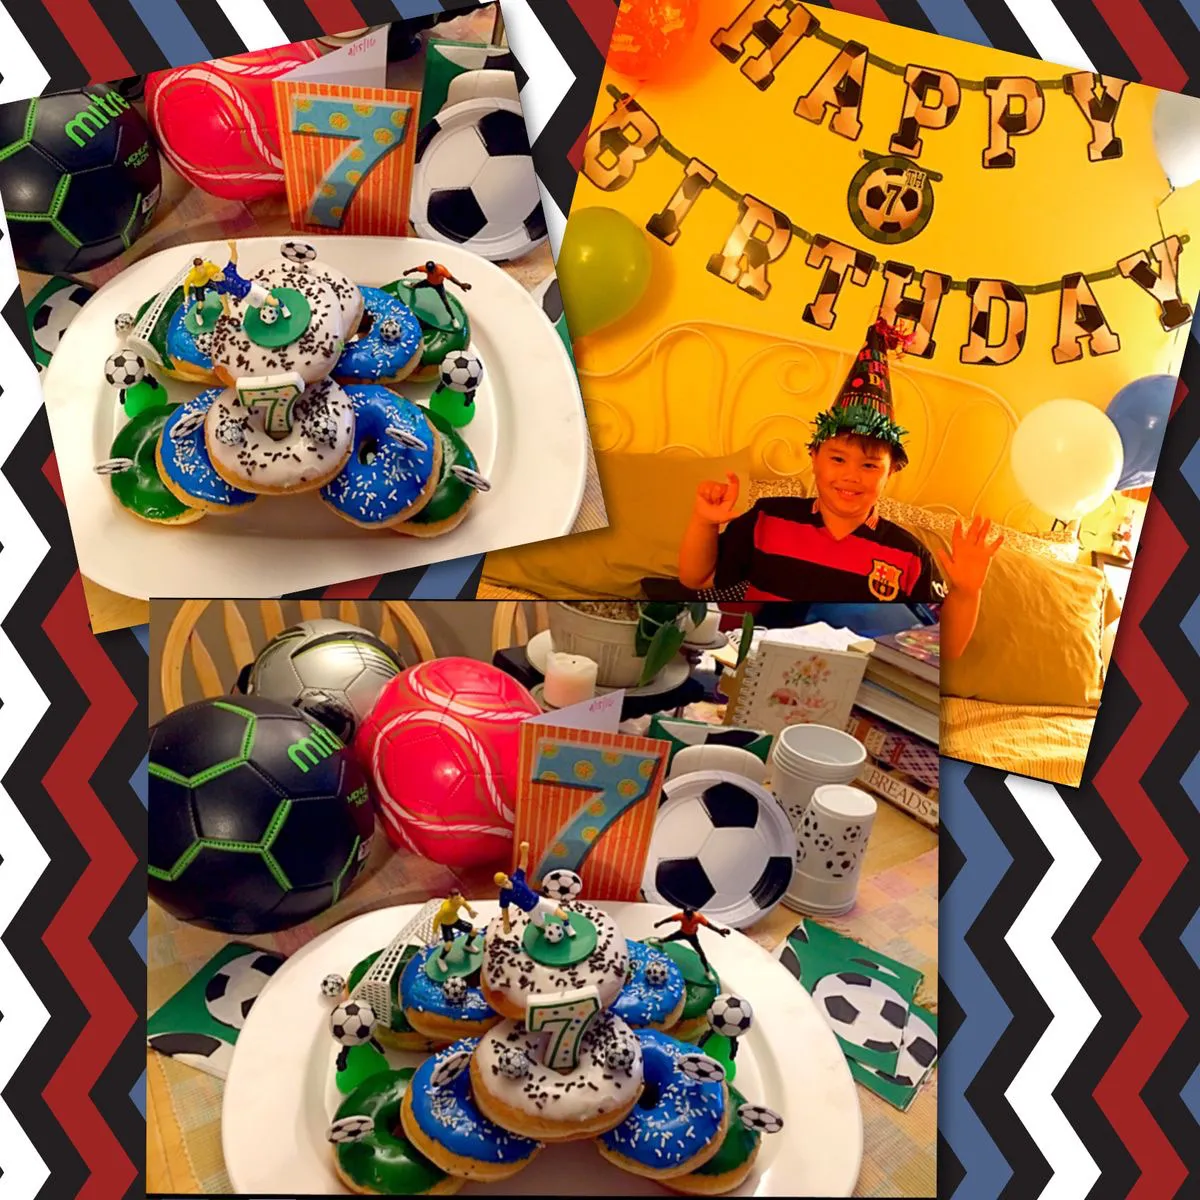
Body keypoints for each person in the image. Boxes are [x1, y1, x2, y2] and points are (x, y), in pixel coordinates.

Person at [677, 317, 1002, 659]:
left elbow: (942, 649)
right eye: (837, 459)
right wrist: (705, 521)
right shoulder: (767, 518)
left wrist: (967, 593)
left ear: (890, 472)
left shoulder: (910, 556)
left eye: (869, 465)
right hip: (755, 662)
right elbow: (696, 579)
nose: (851, 476)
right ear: (814, 457)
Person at [494, 841, 575, 937]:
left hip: (538, 901)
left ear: (506, 876)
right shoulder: (504, 895)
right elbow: (504, 909)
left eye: (504, 881)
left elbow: (523, 864)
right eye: (502, 884)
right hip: (530, 910)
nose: (505, 884)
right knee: (540, 925)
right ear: (499, 885)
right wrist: (506, 924)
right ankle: (551, 933)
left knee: (563, 915)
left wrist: (524, 851)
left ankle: (567, 926)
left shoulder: (517, 878)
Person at [652, 906, 729, 976]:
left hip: (692, 936)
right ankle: (660, 942)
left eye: (690, 916)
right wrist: (659, 923)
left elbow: (709, 925)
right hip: (682, 933)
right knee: (668, 938)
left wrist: (719, 930)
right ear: (684, 914)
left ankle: (707, 971)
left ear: (693, 914)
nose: (689, 917)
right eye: (687, 916)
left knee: (701, 953)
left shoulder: (698, 917)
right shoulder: (681, 915)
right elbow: (669, 919)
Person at [403, 260, 472, 323]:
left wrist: (461, 285)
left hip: (439, 286)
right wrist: (408, 272)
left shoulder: (441, 269)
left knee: (445, 302)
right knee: (416, 286)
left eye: (432, 271)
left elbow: (451, 278)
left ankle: (453, 319)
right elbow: (416, 269)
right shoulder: (425, 268)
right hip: (428, 282)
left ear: (435, 268)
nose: (431, 272)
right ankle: (412, 285)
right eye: (429, 271)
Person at [434, 888, 480, 964]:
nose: (459, 900)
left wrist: (470, 910)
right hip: (446, 925)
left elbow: (465, 904)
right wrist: (435, 931)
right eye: (456, 899)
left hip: (456, 921)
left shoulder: (460, 900)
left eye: (459, 897)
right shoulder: (445, 908)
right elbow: (436, 919)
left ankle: (467, 945)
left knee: (474, 931)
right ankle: (441, 959)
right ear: (450, 898)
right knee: (449, 944)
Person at [183, 256, 227, 326]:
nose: (202, 270)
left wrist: (219, 274)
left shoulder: (207, 265)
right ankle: (198, 314)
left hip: (207, 281)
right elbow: (186, 285)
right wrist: (186, 296)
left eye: (202, 267)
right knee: (201, 303)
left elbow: (217, 268)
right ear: (196, 268)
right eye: (199, 268)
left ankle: (222, 300)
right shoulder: (192, 276)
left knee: (220, 289)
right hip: (199, 286)